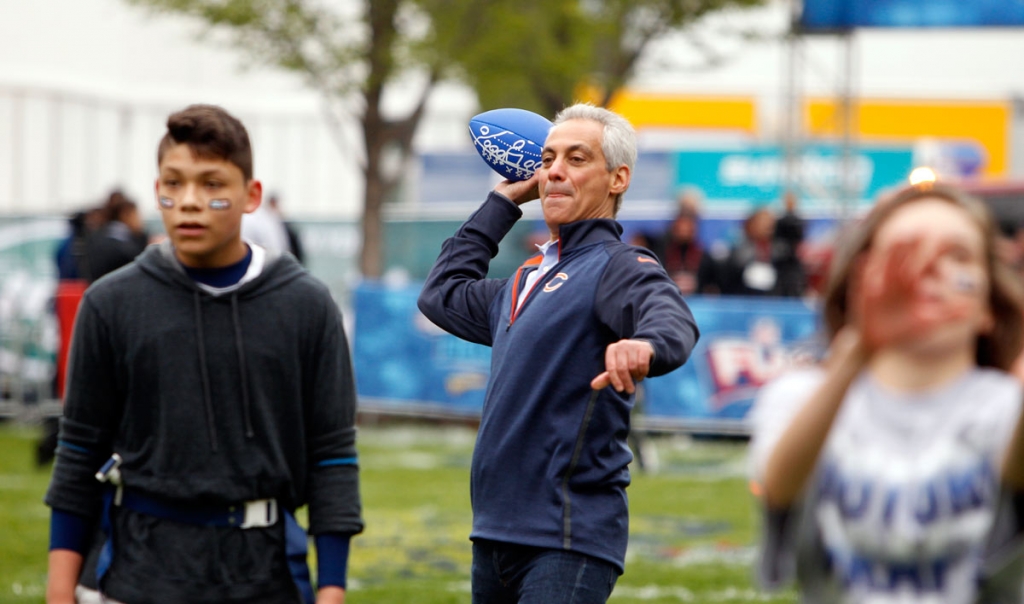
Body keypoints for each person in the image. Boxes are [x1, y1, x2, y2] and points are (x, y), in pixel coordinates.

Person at [45, 104, 363, 604]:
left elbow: (333, 457)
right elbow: (78, 454)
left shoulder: (308, 305)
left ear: (250, 196)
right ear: (158, 192)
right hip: (138, 572)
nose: (189, 201)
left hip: (268, 574)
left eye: (212, 184)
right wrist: (60, 592)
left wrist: (332, 590)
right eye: (173, 183)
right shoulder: (109, 304)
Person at [418, 103, 700, 603]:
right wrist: (503, 201)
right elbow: (440, 293)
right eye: (547, 159)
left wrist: (646, 345)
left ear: (618, 179)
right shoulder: (521, 282)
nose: (554, 171)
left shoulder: (620, 264)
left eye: (576, 158)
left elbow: (672, 318)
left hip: (567, 539)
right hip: (494, 534)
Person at [747, 182, 1024, 602]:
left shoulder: (1006, 405)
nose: (930, 272)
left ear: (989, 304)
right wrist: (858, 350)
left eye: (958, 256)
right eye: (907, 254)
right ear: (861, 277)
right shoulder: (801, 396)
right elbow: (779, 485)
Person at [772, 189, 807, 298]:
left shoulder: (799, 221)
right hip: (781, 260)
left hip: (793, 260)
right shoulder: (780, 221)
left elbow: (800, 237)